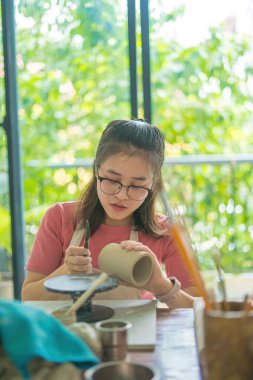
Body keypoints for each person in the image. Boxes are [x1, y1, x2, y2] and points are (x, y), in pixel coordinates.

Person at [22, 119, 200, 307]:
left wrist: (160, 285)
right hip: (69, 334)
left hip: (136, 335)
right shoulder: (59, 218)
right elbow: (28, 297)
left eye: (137, 185)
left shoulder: (166, 230)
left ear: (153, 184)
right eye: (113, 180)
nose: (122, 195)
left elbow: (198, 309)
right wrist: (66, 271)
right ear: (97, 170)